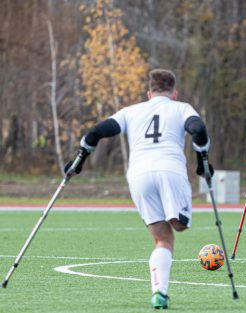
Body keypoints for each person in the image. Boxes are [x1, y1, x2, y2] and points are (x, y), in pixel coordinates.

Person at [65, 69, 213, 309]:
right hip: (170, 171)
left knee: (162, 239)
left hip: (138, 175)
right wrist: (203, 162)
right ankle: (176, 218)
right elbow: (198, 130)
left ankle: (159, 293)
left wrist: (77, 163)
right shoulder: (182, 108)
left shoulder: (131, 112)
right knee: (179, 226)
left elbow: (94, 134)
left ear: (149, 92)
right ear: (174, 93)